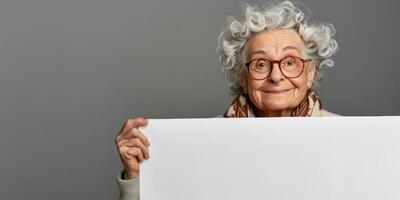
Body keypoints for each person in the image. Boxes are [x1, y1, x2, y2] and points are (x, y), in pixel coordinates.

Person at [115, 0, 339, 199]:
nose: (276, 76)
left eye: (290, 62)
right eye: (261, 64)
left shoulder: (346, 138)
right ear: (242, 77)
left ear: (310, 72)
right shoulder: (198, 144)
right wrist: (135, 178)